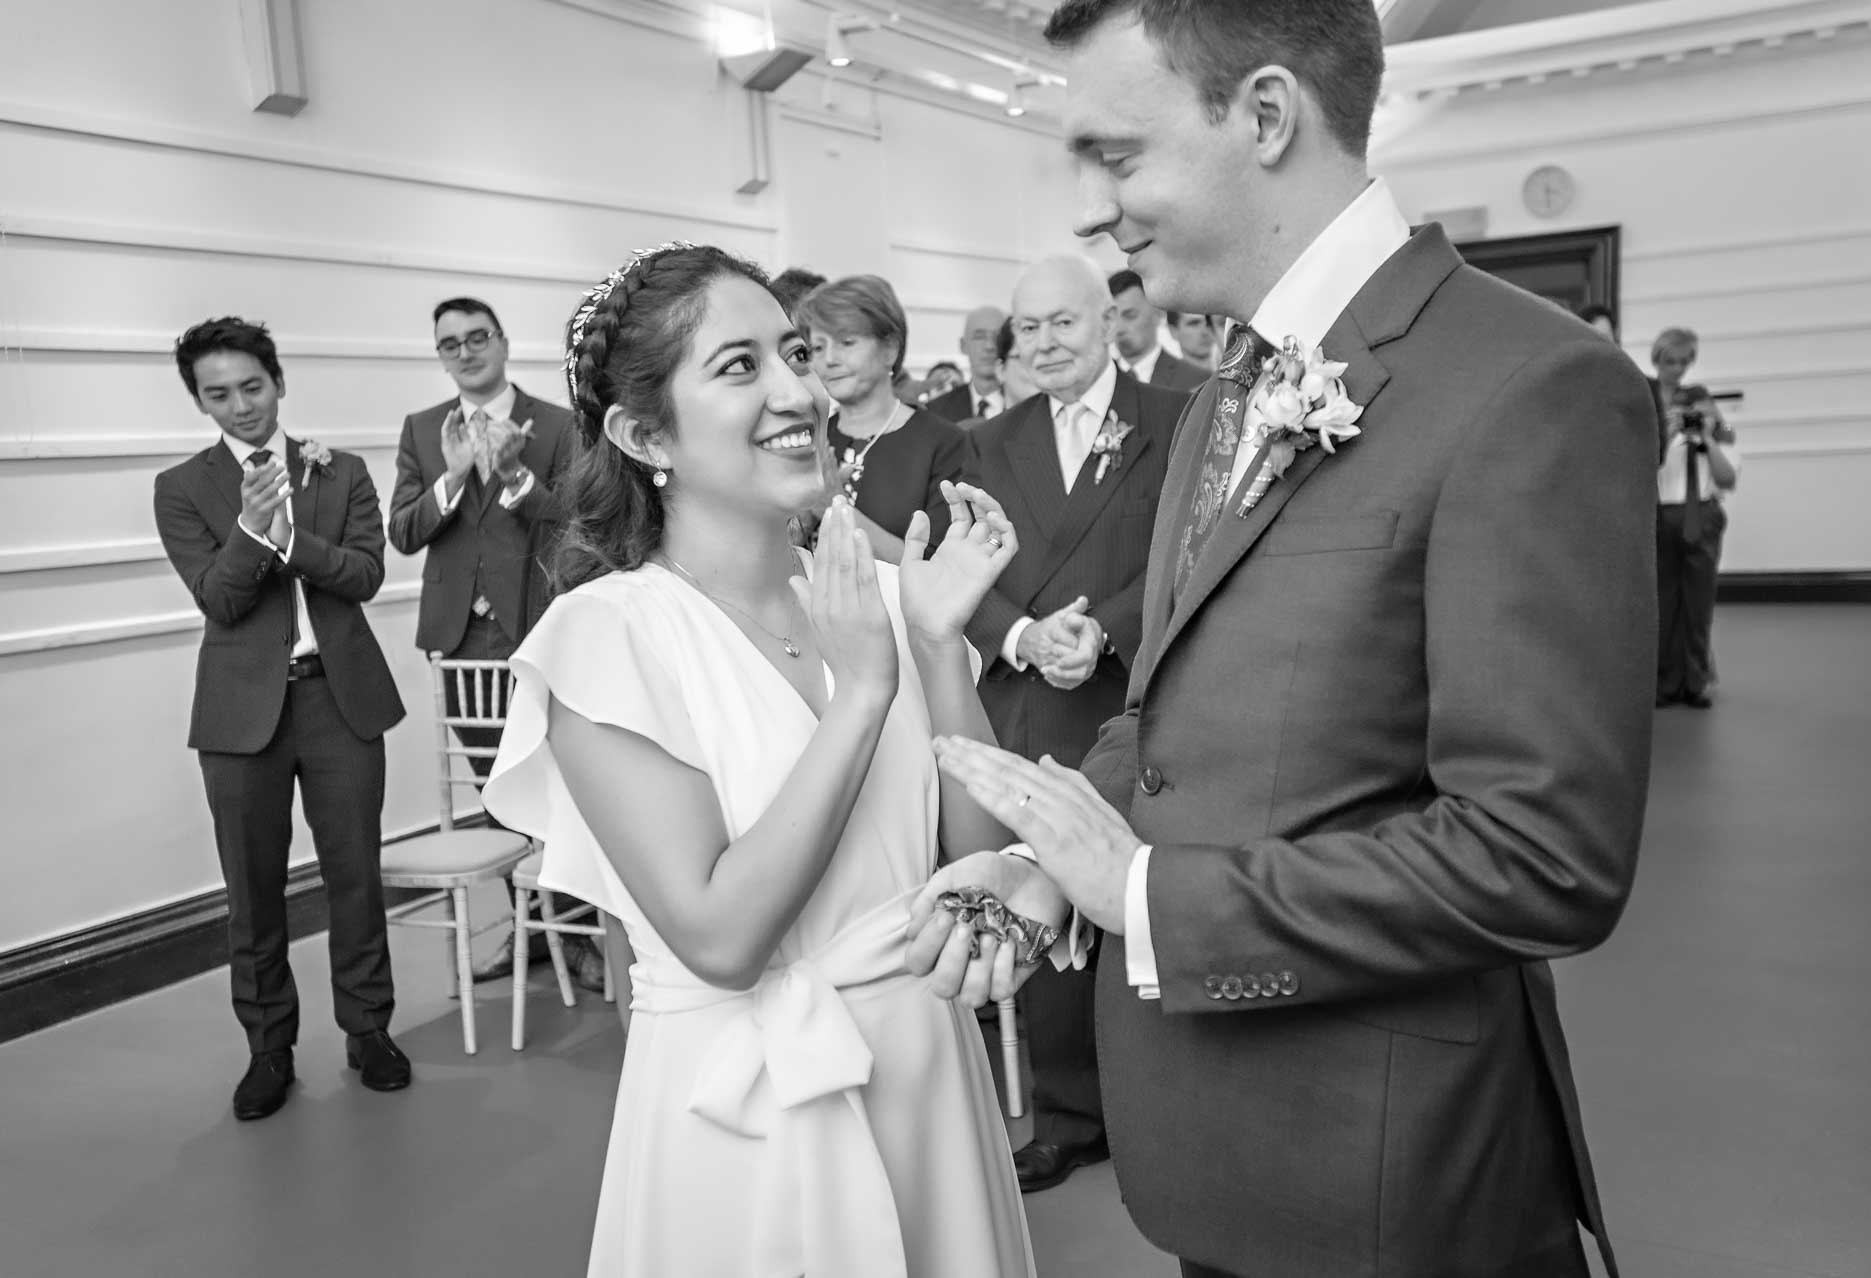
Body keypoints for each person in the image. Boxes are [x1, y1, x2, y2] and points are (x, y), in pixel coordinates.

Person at [909, 2, 1656, 1275]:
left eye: (1116, 154)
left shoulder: (1529, 387)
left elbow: (1544, 853)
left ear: (1265, 115)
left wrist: (1141, 894)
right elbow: (1170, 714)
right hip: (1212, 1152)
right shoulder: (1220, 405)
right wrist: (1046, 873)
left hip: (1385, 1179)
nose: (1093, 209)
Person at [480, 243, 1036, 1277]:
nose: (799, 392)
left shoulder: (870, 589)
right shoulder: (608, 638)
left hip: (927, 1071)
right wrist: (862, 691)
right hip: (757, 1107)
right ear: (645, 432)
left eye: (796, 352)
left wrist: (935, 649)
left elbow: (974, 860)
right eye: (740, 368)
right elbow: (723, 937)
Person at [963, 255, 1189, 1193]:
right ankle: (1065, 1113)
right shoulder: (986, 439)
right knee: (1044, 899)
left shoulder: (1177, 421)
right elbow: (961, 566)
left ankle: (1168, 1099)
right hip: (1031, 699)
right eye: (1029, 328)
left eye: (1063, 322)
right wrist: (1019, 631)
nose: (1045, 342)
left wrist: (1106, 628)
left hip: (1139, 698)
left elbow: (1194, 549)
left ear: (1109, 322)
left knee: (1142, 907)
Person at [154, 317, 410, 1121]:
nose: (240, 407)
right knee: (253, 893)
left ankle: (369, 1031)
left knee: (355, 879)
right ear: (199, 401)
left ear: (279, 382)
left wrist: (290, 537)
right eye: (217, 394)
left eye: (252, 387)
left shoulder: (341, 473)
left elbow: (365, 575)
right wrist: (249, 533)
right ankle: (269, 1050)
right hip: (239, 718)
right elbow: (222, 600)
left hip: (340, 701)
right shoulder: (181, 487)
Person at [387, 297, 596, 987]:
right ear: (440, 356)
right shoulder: (422, 431)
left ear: (503, 342)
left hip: (537, 626)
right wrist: (450, 476)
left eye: (478, 337)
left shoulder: (558, 425)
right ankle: (530, 930)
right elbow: (404, 532)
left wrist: (513, 477)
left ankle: (583, 933)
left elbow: (574, 519)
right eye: (451, 344)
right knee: (498, 792)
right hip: (460, 637)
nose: (467, 351)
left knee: (561, 786)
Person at [797, 275, 969, 563]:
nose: (828, 360)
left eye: (846, 342)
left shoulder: (944, 444)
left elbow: (939, 570)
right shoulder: (810, 437)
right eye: (817, 347)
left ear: (890, 349)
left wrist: (835, 509)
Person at [1649, 327, 1738, 709]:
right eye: (1671, 361)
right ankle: (1665, 682)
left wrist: (1710, 425)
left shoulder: (1698, 396)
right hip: (1660, 510)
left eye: (1684, 362)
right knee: (1663, 603)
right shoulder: (1647, 396)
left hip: (1700, 510)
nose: (1677, 370)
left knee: (1698, 606)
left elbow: (1730, 439)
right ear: (1657, 359)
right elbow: (1644, 456)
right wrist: (1664, 430)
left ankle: (1697, 679)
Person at [1110, 268, 1209, 391]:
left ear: (1158, 313)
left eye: (1130, 315)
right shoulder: (1099, 383)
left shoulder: (1197, 381)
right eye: (1111, 319)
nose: (1119, 328)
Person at [927, 305, 1011, 422]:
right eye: (979, 337)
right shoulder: (935, 412)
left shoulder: (1028, 407)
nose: (989, 346)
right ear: (963, 345)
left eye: (997, 337)